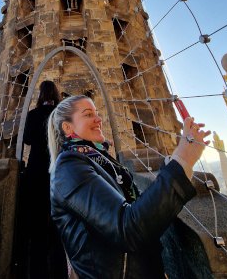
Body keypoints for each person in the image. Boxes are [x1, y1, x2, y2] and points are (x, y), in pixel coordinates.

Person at [48, 95, 210, 279]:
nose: (99, 119)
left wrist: (172, 163)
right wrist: (182, 162)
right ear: (68, 127)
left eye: (97, 113)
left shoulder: (97, 160)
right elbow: (127, 228)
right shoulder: (69, 168)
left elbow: (136, 206)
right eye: (88, 114)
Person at [23, 80, 67, 278]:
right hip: (58, 174)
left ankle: (37, 274)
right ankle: (61, 272)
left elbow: (26, 139)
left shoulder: (33, 114)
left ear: (40, 94)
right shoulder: (61, 115)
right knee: (60, 228)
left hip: (35, 175)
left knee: (37, 229)